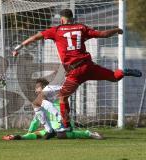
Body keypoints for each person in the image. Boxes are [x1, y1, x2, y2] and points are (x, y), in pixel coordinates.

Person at [12, 9, 142, 131]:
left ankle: (66, 125)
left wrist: (19, 47)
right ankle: (123, 72)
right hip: (88, 66)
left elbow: (35, 37)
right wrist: (116, 30)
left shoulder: (56, 30)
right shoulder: (81, 28)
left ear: (62, 20)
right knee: (114, 76)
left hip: (75, 72)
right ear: (72, 19)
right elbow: (102, 34)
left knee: (62, 97)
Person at [2, 80, 103, 140]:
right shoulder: (43, 104)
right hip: (54, 127)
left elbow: (66, 112)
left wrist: (65, 120)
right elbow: (36, 120)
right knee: (42, 133)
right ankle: (19, 137)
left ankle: (88, 133)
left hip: (63, 126)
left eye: (36, 89)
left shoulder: (52, 97)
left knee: (60, 135)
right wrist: (27, 134)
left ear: (41, 88)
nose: (35, 91)